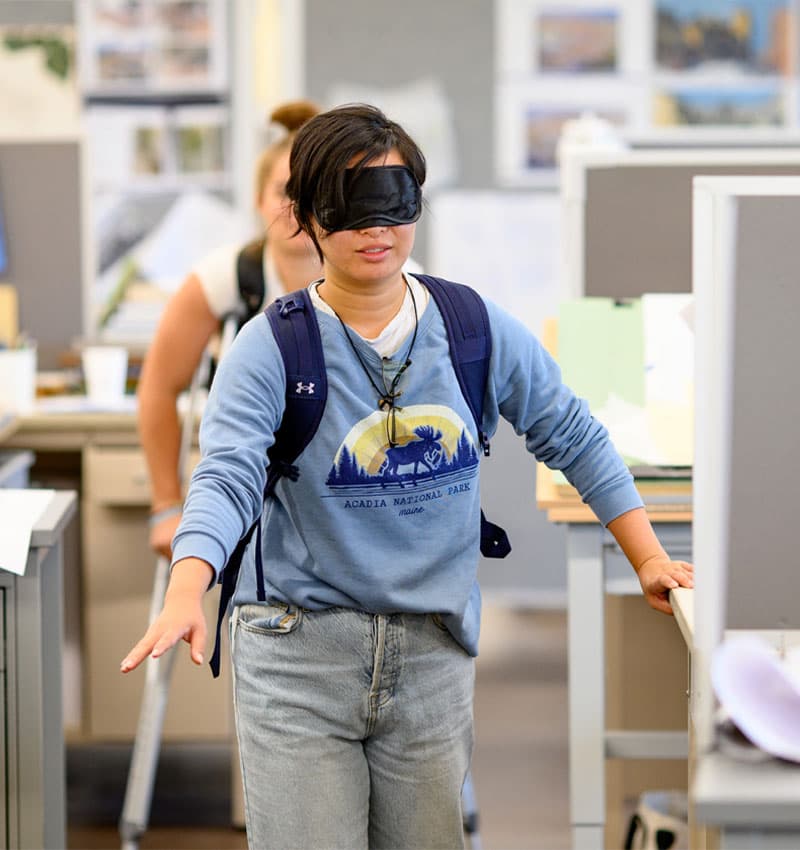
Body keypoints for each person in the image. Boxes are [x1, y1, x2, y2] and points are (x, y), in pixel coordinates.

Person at [121, 103, 694, 850]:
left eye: (394, 202)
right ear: (305, 218)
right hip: (300, 652)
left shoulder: (473, 330)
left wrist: (648, 556)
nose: (376, 227)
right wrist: (188, 585)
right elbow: (226, 475)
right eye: (350, 206)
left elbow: (572, 432)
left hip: (431, 654)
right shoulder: (269, 350)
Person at [138, 99, 322, 558]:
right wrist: (166, 506)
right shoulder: (223, 278)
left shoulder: (381, 278)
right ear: (259, 201)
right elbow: (160, 387)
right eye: (284, 192)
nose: (296, 208)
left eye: (312, 191)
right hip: (243, 484)